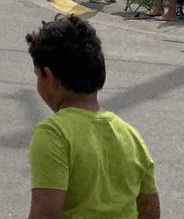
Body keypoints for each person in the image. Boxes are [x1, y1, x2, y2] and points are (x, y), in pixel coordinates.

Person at [25, 16, 159, 219]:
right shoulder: (131, 136)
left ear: (50, 77)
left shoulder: (55, 134)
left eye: (37, 76)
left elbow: (45, 215)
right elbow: (150, 210)